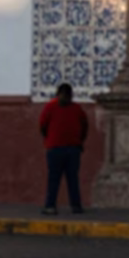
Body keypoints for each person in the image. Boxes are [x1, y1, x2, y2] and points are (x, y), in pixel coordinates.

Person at [39, 82, 88, 216]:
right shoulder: (75, 109)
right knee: (70, 178)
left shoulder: (51, 107)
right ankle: (75, 206)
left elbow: (43, 126)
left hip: (57, 148)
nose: (66, 98)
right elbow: (84, 127)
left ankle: (51, 206)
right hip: (69, 148)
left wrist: (49, 138)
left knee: (57, 178)